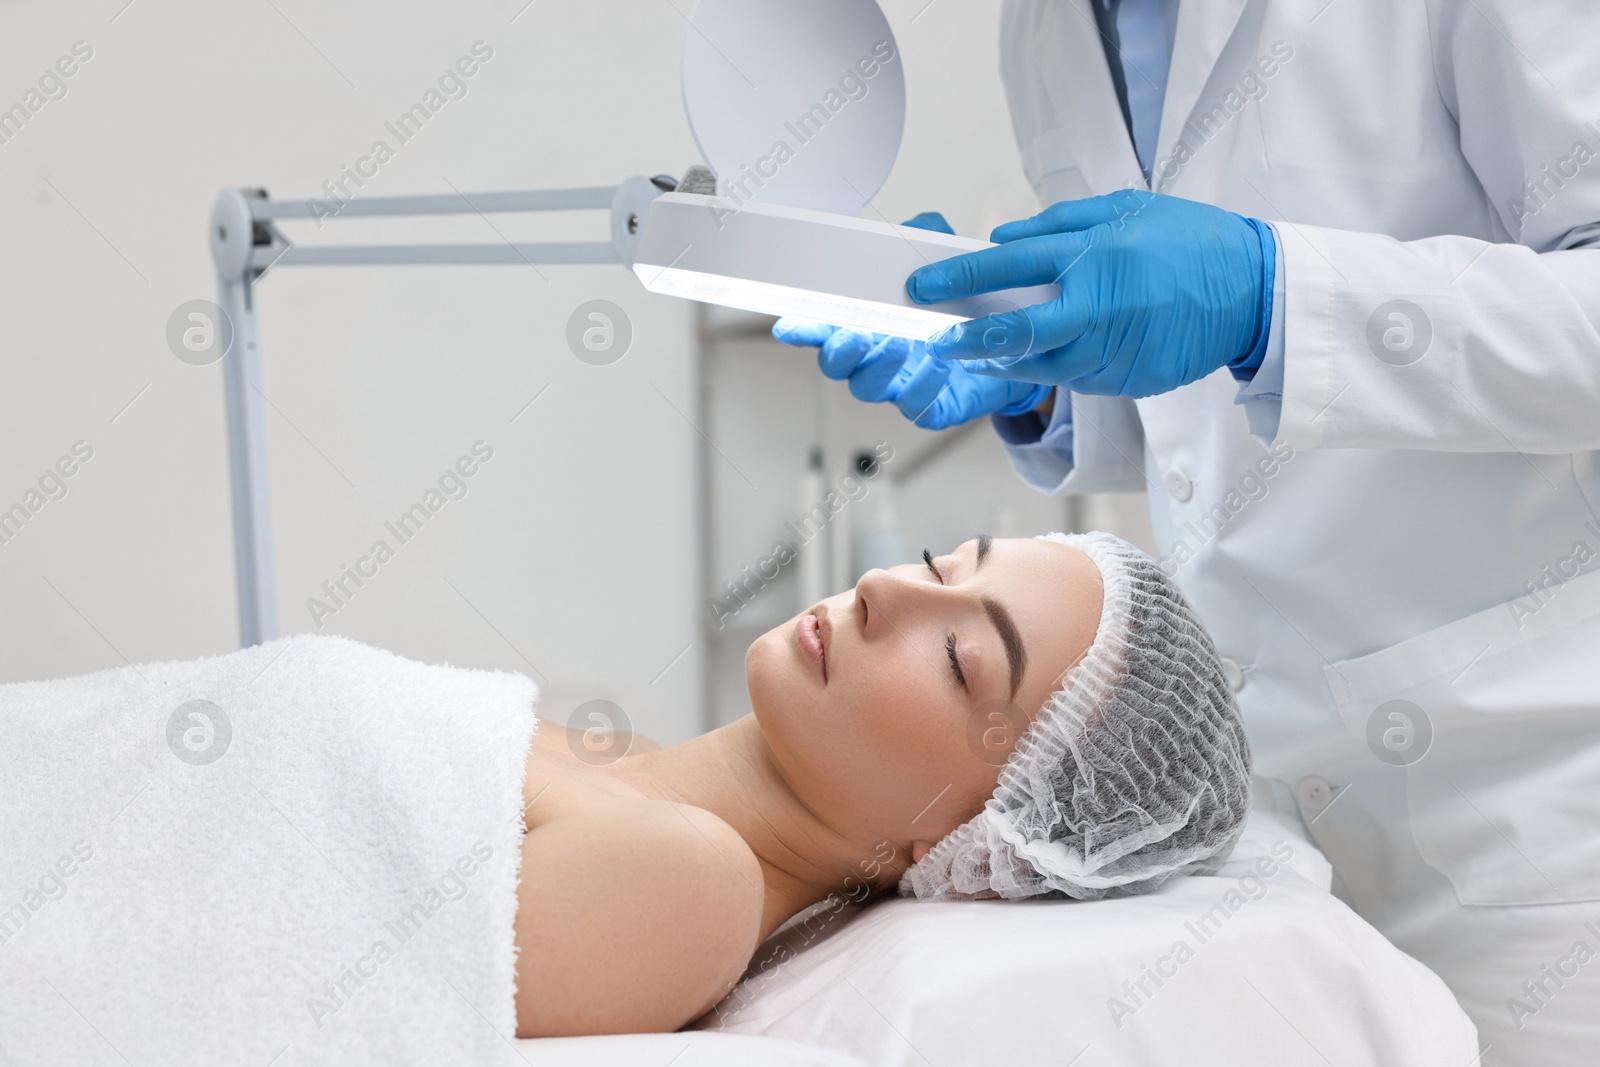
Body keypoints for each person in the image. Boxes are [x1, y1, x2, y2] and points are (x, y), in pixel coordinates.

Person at [774, 2, 1600, 1063]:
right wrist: (1029, 377)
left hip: (1531, 773)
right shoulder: (1044, 30)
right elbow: (1199, 395)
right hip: (1265, 803)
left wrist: (1270, 290)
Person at [512, 532, 1250, 1036]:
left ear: (981, 850)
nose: (879, 586)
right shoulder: (626, 762)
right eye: (938, 565)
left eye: (959, 658)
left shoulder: (691, 883)